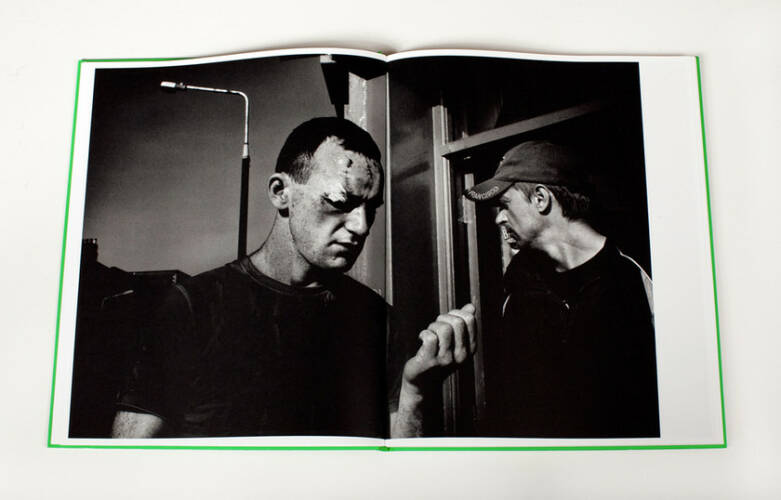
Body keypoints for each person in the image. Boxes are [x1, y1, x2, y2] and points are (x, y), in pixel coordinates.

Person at [111, 117, 392, 438]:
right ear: (280, 193)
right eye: (340, 201)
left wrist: (417, 392)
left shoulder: (377, 320)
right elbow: (130, 455)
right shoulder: (192, 308)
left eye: (371, 209)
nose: (361, 226)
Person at [392, 140, 659, 438]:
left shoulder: (640, 277)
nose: (498, 218)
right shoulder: (516, 291)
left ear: (541, 199)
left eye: (505, 205)